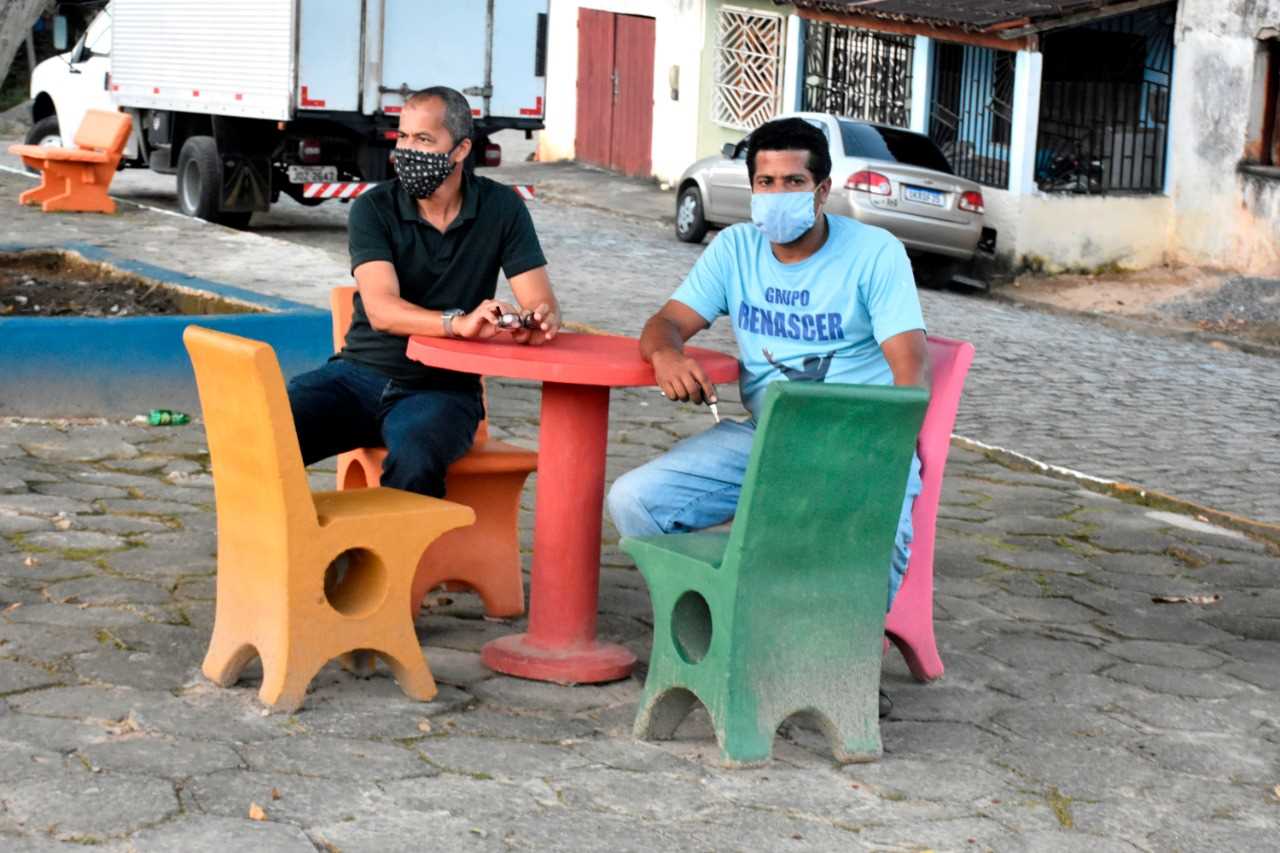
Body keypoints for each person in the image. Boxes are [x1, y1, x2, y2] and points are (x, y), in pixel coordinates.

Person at [606, 118, 929, 713]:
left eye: (793, 181)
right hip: (766, 438)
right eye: (766, 181)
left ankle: (843, 656)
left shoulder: (875, 254)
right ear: (751, 188)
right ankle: (712, 639)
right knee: (635, 499)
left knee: (874, 543)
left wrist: (893, 448)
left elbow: (910, 367)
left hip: (859, 441)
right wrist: (666, 354)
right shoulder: (735, 249)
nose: (778, 194)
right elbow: (666, 320)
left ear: (823, 189)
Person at [287, 86, 560, 498]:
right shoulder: (373, 209)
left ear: (461, 149)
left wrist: (533, 320)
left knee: (416, 457)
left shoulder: (501, 208)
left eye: (424, 140)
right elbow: (381, 310)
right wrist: (458, 323)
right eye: (403, 138)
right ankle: (281, 548)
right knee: (271, 424)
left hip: (443, 390)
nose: (407, 151)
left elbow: (538, 299)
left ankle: (392, 559)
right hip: (358, 374)